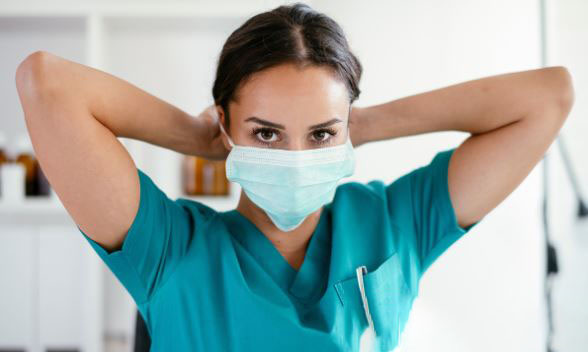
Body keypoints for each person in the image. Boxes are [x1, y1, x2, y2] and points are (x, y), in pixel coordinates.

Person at [14, 2, 574, 351]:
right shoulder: (169, 249)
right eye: (266, 133)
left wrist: (368, 123)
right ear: (227, 123)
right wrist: (193, 135)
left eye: (321, 134)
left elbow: (549, 97)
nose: (296, 155)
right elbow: (47, 82)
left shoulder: (394, 225)